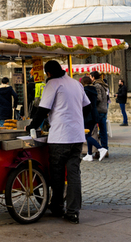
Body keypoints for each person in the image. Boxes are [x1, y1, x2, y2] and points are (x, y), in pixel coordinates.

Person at [26, 60, 90, 224]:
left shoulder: (53, 84)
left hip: (60, 136)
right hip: (77, 136)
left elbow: (43, 109)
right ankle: (73, 211)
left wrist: (32, 126)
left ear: (48, 73)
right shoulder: (76, 84)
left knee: (57, 173)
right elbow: (87, 106)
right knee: (74, 174)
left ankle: (57, 206)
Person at [79, 75, 106, 162]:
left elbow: (84, 105)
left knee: (86, 135)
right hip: (94, 113)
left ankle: (101, 149)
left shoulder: (85, 91)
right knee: (89, 134)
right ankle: (89, 154)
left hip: (88, 115)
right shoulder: (93, 90)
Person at [90, 71, 110, 151]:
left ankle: (100, 149)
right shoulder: (102, 84)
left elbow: (99, 98)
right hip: (104, 109)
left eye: (91, 77)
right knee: (103, 131)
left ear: (93, 77)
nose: (90, 79)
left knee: (96, 131)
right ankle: (105, 148)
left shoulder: (97, 85)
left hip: (99, 110)